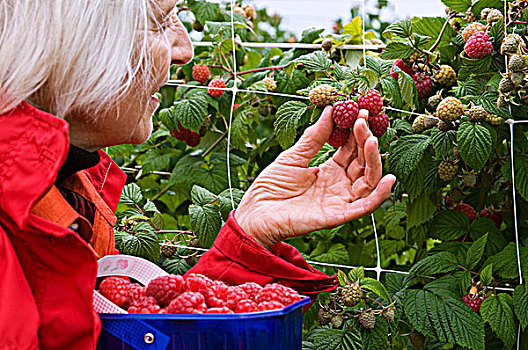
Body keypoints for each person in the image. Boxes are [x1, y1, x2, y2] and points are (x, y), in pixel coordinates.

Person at [0, 0, 395, 349]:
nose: (185, 50)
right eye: (160, 21)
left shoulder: (65, 192)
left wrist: (251, 235)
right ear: (72, 38)